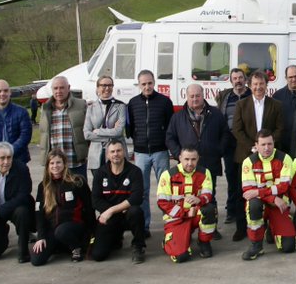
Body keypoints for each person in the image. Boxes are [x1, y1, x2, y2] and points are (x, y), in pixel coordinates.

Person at [166, 87, 230, 240]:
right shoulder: (178, 117)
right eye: (192, 96)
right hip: (186, 167)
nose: (195, 99)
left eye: (198, 96)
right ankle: (186, 225)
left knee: (210, 197)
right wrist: (178, 155)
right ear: (186, 97)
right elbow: (170, 138)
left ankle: (211, 228)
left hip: (209, 163)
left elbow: (225, 134)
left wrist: (218, 150)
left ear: (203, 96)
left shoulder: (215, 114)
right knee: (185, 197)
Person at [125, 69, 173, 237]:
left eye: (150, 83)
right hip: (141, 153)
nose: (147, 86)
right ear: (139, 85)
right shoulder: (132, 103)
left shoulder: (165, 102)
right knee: (142, 191)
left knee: (166, 190)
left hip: (160, 152)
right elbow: (129, 128)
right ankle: (144, 226)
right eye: (144, 84)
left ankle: (171, 222)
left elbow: (169, 126)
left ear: (154, 83)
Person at [240, 131, 296, 260]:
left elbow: (283, 187)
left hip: (279, 205)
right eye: (263, 144)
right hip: (265, 202)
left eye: (270, 144)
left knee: (289, 247)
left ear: (274, 143)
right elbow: (249, 191)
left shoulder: (285, 158)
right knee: (253, 204)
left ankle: (271, 229)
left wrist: (259, 192)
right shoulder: (248, 162)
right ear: (256, 145)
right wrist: (271, 197)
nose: (267, 148)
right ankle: (256, 245)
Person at [31, 150, 94, 266]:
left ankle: (76, 248)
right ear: (48, 166)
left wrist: (92, 231)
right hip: (53, 229)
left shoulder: (77, 181)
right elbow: (39, 212)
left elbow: (89, 206)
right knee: (36, 260)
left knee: (62, 231)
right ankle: (62, 246)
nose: (55, 166)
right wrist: (41, 237)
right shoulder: (43, 186)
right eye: (52, 163)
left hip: (74, 226)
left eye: (58, 163)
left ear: (65, 163)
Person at [90, 141, 148, 263]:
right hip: (110, 217)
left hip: (126, 215)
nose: (116, 154)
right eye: (112, 151)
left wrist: (112, 210)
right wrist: (112, 211)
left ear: (124, 152)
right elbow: (95, 200)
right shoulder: (100, 173)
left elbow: (137, 197)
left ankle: (138, 246)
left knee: (136, 211)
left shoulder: (135, 171)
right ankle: (115, 239)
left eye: (119, 151)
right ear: (107, 155)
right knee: (97, 255)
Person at [157, 147, 216, 262]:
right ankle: (168, 241)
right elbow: (162, 203)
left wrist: (199, 199)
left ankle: (204, 242)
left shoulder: (204, 173)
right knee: (181, 257)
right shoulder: (167, 175)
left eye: (193, 159)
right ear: (180, 158)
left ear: (198, 159)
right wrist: (185, 213)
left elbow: (208, 195)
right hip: (176, 218)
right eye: (186, 159)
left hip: (195, 215)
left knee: (209, 209)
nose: (190, 163)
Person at [217, 67, 250, 240]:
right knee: (231, 177)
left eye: (240, 78)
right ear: (231, 81)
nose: (238, 81)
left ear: (245, 80)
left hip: (246, 143)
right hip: (229, 143)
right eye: (234, 78)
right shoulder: (225, 97)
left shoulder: (251, 95)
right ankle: (232, 210)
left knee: (245, 179)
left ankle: (247, 211)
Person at [39, 76, 89, 179]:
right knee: (55, 193)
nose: (58, 91)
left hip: (75, 161)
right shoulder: (46, 108)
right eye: (55, 88)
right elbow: (43, 134)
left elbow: (89, 129)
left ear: (68, 87)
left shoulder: (81, 105)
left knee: (80, 192)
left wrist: (84, 150)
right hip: (55, 165)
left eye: (62, 87)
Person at [83, 75, 126, 183]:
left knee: (115, 186)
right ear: (97, 88)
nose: (107, 88)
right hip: (96, 155)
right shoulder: (90, 107)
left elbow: (119, 131)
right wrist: (110, 134)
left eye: (110, 85)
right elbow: (87, 134)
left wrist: (98, 131)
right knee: (99, 187)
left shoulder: (120, 106)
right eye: (103, 85)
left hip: (115, 154)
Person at [271, 65, 296, 151]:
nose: (293, 79)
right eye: (290, 77)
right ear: (286, 78)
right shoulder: (277, 96)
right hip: (283, 144)